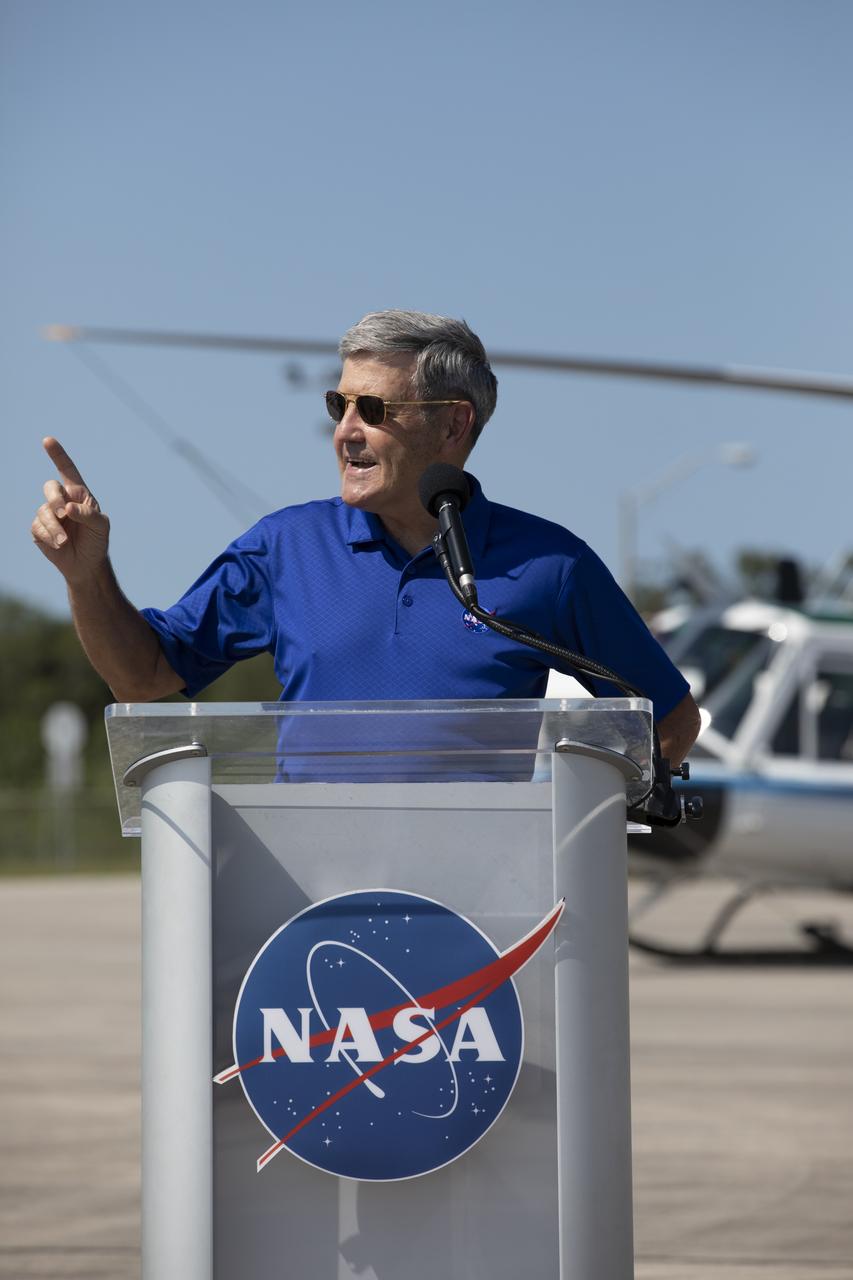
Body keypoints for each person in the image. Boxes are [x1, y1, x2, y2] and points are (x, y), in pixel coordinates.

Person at [32, 310, 700, 764]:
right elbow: (146, 678)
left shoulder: (550, 566)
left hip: (480, 915)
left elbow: (668, 726)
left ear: (452, 425)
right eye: (339, 405)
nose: (345, 430)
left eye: (373, 410)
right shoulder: (284, 548)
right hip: (309, 903)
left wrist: (572, 816)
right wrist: (86, 576)